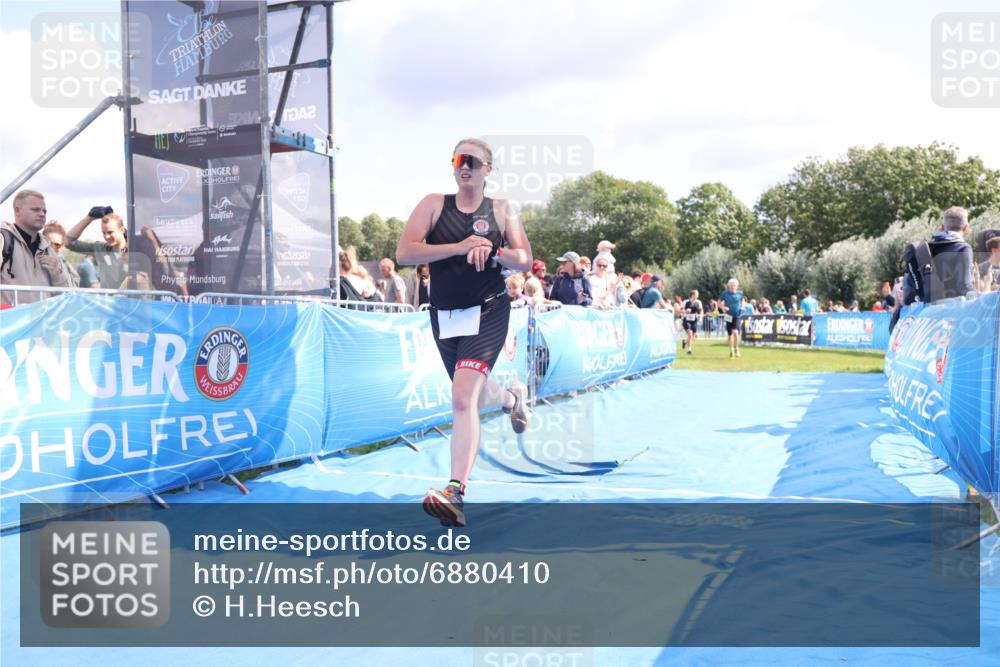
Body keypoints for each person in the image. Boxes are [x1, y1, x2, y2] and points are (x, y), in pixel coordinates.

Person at [396, 137, 532, 528]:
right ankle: (510, 398)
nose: (464, 165)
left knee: (460, 397)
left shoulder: (504, 209)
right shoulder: (434, 204)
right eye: (457, 159)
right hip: (444, 314)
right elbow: (405, 253)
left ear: (488, 169)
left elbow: (524, 259)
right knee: (473, 393)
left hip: (488, 311)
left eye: (472, 160)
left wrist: (492, 250)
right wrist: (458, 247)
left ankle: (455, 492)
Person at [1, 189, 72, 305]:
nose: (42, 214)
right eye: (35, 210)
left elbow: (65, 294)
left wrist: (57, 274)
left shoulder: (48, 248)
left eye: (44, 211)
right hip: (9, 321)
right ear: (17, 210)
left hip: (42, 321)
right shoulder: (3, 239)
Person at [902, 206, 975, 304]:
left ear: (942, 226)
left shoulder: (925, 249)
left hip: (926, 310)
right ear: (966, 228)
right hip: (952, 310)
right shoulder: (963, 248)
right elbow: (964, 285)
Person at [65, 206, 128, 289]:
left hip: (131, 300)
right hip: (107, 300)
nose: (106, 236)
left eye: (110, 232)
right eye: (104, 233)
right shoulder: (100, 249)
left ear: (122, 230)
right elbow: (68, 242)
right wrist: (89, 218)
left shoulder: (135, 249)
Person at [41, 221, 80, 287]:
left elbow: (72, 289)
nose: (51, 248)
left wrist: (57, 274)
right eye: (48, 243)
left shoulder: (66, 267)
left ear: (62, 246)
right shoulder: (35, 261)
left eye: (57, 245)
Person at [719, 278, 744, 358]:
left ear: (737, 286)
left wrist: (743, 307)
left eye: (734, 285)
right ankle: (731, 350)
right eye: (731, 285)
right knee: (730, 334)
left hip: (737, 315)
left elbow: (743, 301)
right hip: (728, 316)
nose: (733, 287)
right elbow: (718, 303)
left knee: (736, 332)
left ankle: (737, 348)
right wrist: (723, 308)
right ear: (729, 286)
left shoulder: (740, 293)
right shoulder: (725, 293)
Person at [681, 289, 703, 355]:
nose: (698, 295)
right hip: (686, 320)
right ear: (693, 295)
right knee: (690, 333)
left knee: (692, 336)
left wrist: (701, 317)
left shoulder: (698, 302)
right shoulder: (686, 301)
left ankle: (685, 341)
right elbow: (680, 310)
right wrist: (685, 311)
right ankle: (689, 349)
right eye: (697, 294)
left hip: (694, 320)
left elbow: (701, 310)